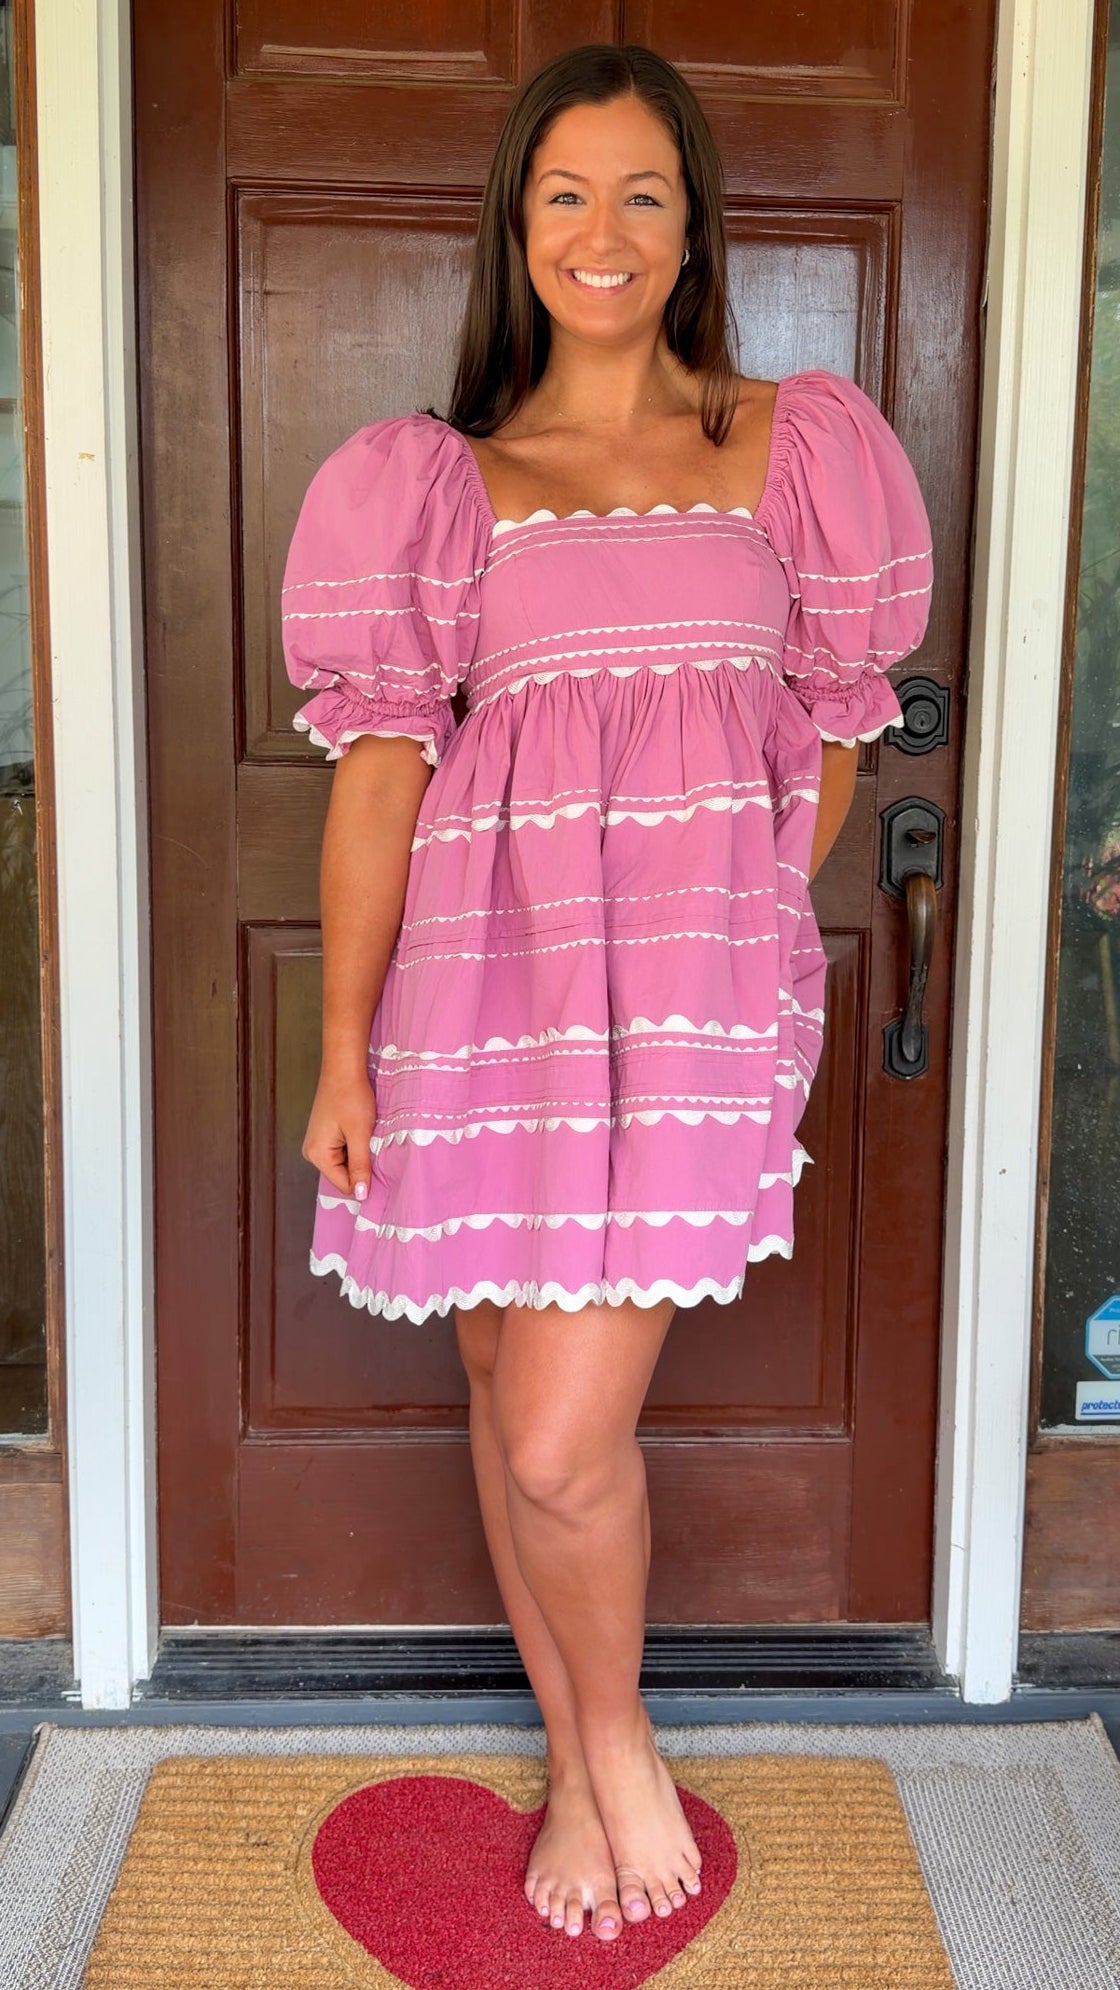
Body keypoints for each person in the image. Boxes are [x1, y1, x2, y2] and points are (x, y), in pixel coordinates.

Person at [281, 42, 933, 1946]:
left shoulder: (788, 450)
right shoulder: (447, 482)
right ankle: (575, 1750)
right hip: (474, 1012)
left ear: (694, 223)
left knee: (567, 1432)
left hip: (698, 1011)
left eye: (643, 191)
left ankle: (622, 1736)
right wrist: (339, 1046)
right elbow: (382, 779)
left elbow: (830, 733)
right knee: (500, 1381)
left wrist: (724, 923)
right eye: (566, 191)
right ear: (517, 222)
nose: (603, 231)